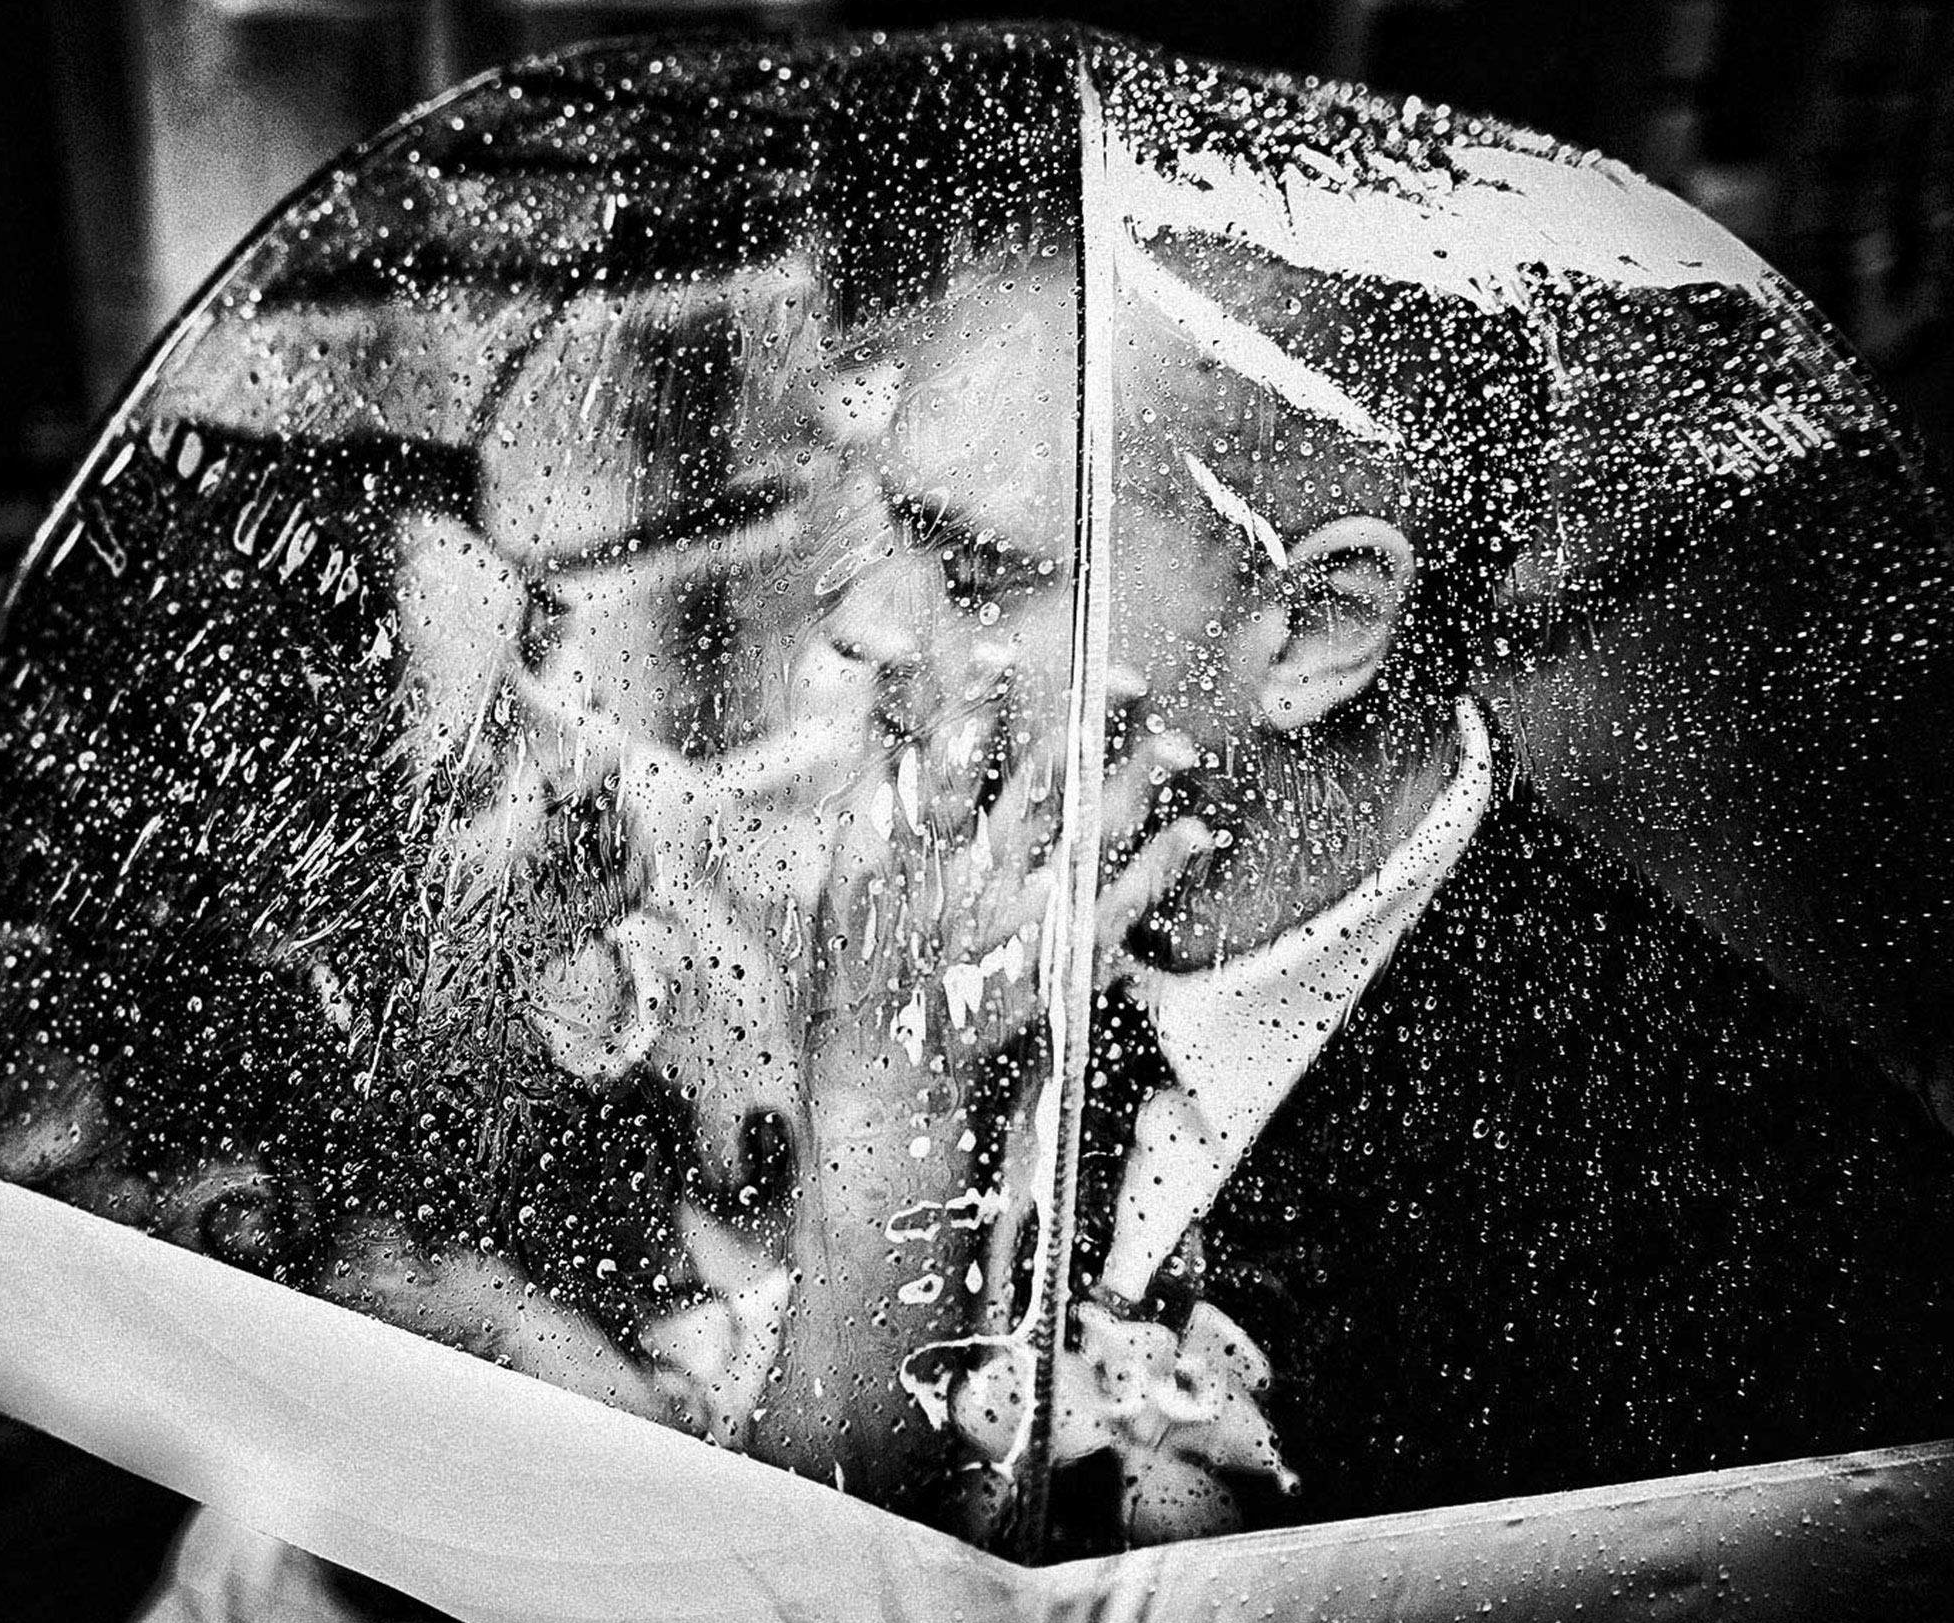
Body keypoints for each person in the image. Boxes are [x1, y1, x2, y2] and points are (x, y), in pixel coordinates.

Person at [776, 234, 1954, 1556]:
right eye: (891, 528)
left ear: (1318, 628)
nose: (863, 624)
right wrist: (878, 1102)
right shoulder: (960, 919)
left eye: (981, 572)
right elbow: (813, 1556)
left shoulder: (1736, 1219)